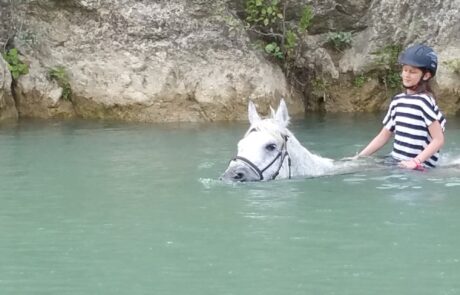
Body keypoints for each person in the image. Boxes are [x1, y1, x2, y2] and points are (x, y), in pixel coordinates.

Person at [356, 44, 446, 170]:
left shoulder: (424, 102)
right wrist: (359, 158)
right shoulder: (397, 101)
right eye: (405, 70)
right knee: (356, 167)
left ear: (426, 76)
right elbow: (383, 136)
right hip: (396, 161)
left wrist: (416, 162)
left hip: (419, 167)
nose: (407, 75)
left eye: (413, 72)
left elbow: (438, 139)